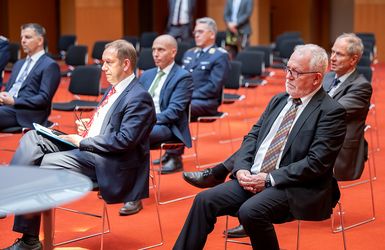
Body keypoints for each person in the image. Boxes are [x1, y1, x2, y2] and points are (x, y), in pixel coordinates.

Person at [182, 33, 373, 238]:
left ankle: (222, 176)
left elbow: (315, 163)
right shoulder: (279, 99)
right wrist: (241, 169)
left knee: (250, 212)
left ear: (316, 78)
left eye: (296, 72)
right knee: (204, 200)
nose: (288, 76)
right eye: (287, 69)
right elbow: (253, 137)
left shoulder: (331, 109)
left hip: (294, 183)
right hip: (256, 174)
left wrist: (268, 179)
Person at [2, 39, 156, 250]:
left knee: (42, 163)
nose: (103, 68)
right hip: (89, 148)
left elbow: (124, 141)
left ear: (126, 64)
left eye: (108, 62)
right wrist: (90, 127)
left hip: (108, 162)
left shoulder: (139, 97)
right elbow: (111, 126)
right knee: (32, 137)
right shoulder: (113, 89)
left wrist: (84, 140)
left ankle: (29, 239)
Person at [119, 34, 193, 216]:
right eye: (153, 49)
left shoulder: (183, 77)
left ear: (173, 52)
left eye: (161, 49)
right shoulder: (147, 74)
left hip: (167, 126)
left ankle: (134, 195)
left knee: (137, 136)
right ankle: (114, 182)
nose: (155, 54)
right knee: (116, 130)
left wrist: (145, 121)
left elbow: (174, 112)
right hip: (142, 123)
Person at [0, 23, 60, 130]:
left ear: (40, 41)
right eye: (22, 37)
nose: (23, 41)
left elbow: (43, 99)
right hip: (6, 107)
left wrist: (14, 101)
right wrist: (3, 96)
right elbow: (10, 90)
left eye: (27, 37)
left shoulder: (49, 65)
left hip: (25, 114)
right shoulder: (19, 63)